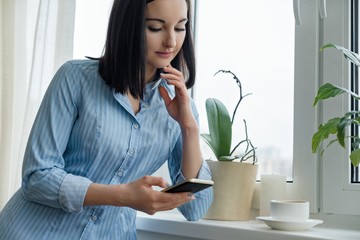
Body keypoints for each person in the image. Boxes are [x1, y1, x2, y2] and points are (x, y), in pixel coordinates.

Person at [0, 0, 213, 239]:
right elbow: (36, 177)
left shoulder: (181, 107)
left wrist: (189, 127)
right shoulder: (75, 79)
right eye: (155, 27)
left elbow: (195, 208)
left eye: (180, 27)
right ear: (128, 26)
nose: (171, 42)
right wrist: (123, 195)